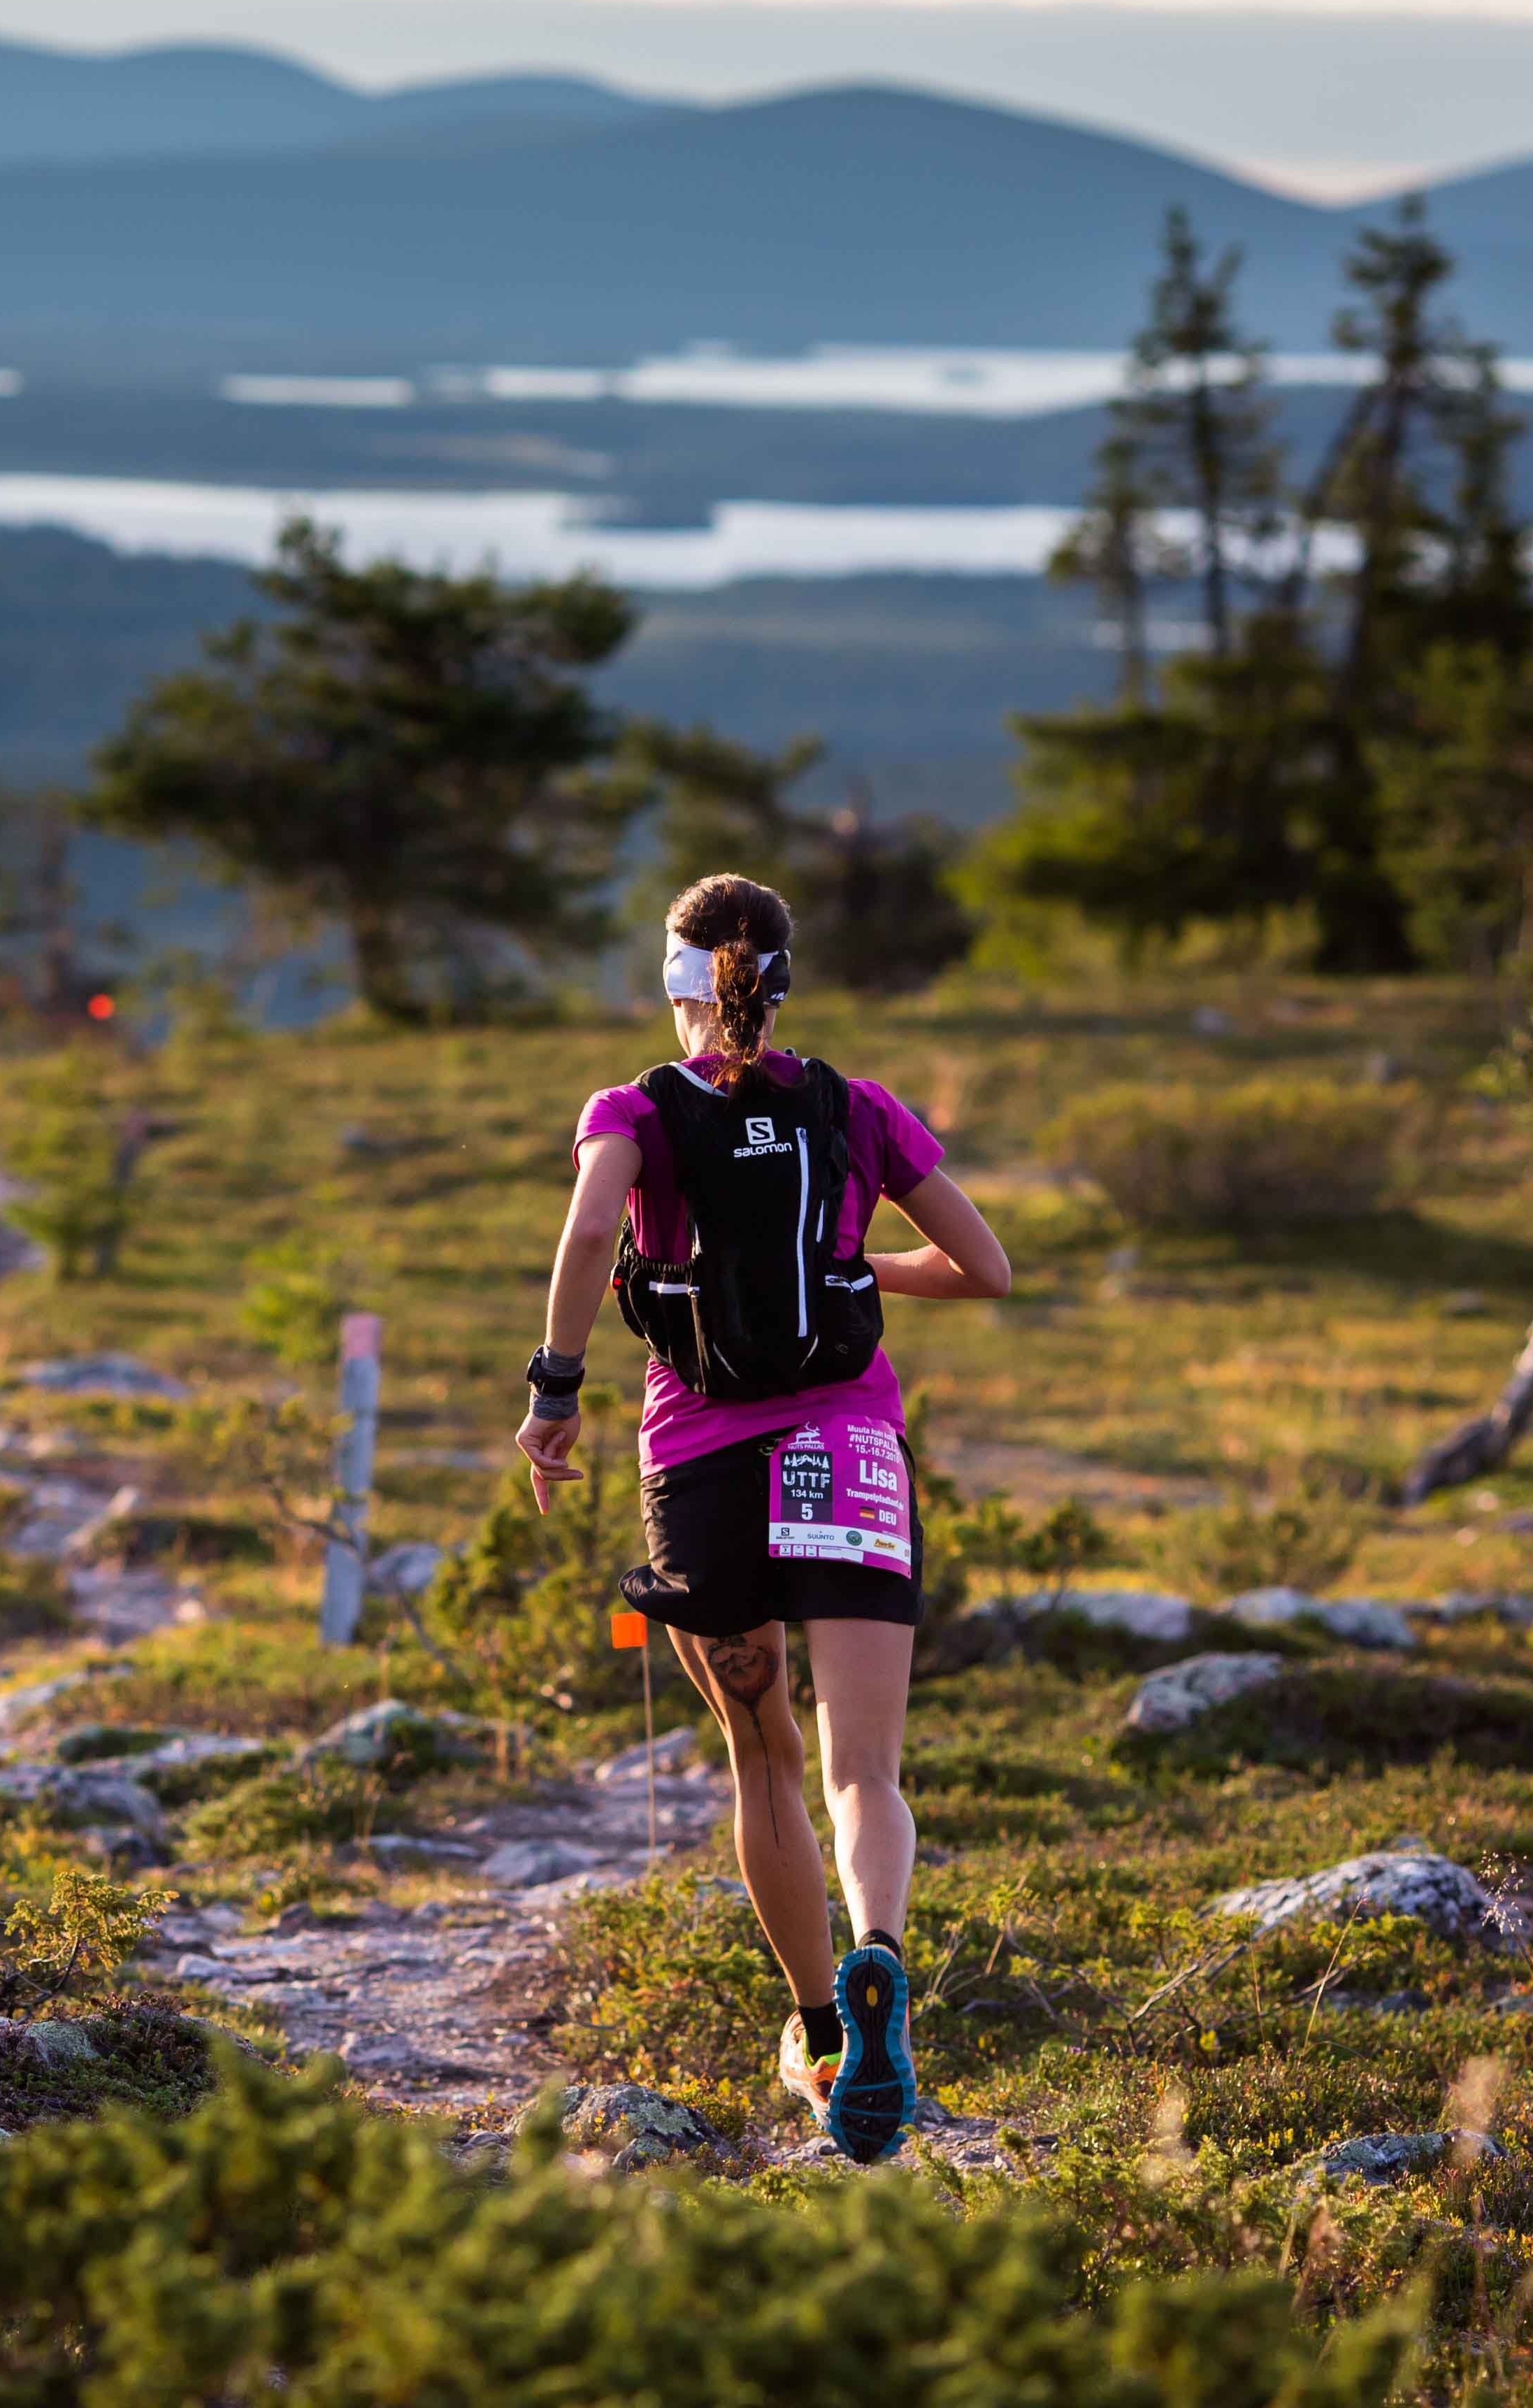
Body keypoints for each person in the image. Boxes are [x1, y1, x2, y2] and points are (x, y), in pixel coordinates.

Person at [511, 873, 1012, 2163]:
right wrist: (860, 1262)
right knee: (865, 1771)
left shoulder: (633, 1109)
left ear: (675, 986)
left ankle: (821, 2029)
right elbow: (985, 1269)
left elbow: (581, 1237)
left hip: (702, 1466)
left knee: (767, 1756)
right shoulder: (858, 1109)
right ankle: (882, 1958)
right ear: (782, 984)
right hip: (846, 1445)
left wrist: (554, 1393)